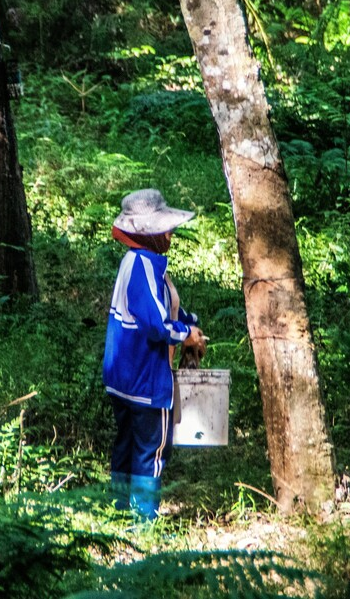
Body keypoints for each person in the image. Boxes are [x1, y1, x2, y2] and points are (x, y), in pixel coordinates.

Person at [103, 188, 204, 520]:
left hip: (123, 377)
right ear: (149, 233)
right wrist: (185, 333)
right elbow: (155, 325)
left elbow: (162, 308)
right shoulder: (144, 263)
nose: (170, 234)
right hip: (145, 381)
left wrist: (188, 322)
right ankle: (143, 521)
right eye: (165, 228)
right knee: (152, 451)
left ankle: (117, 512)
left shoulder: (136, 262)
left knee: (127, 446)